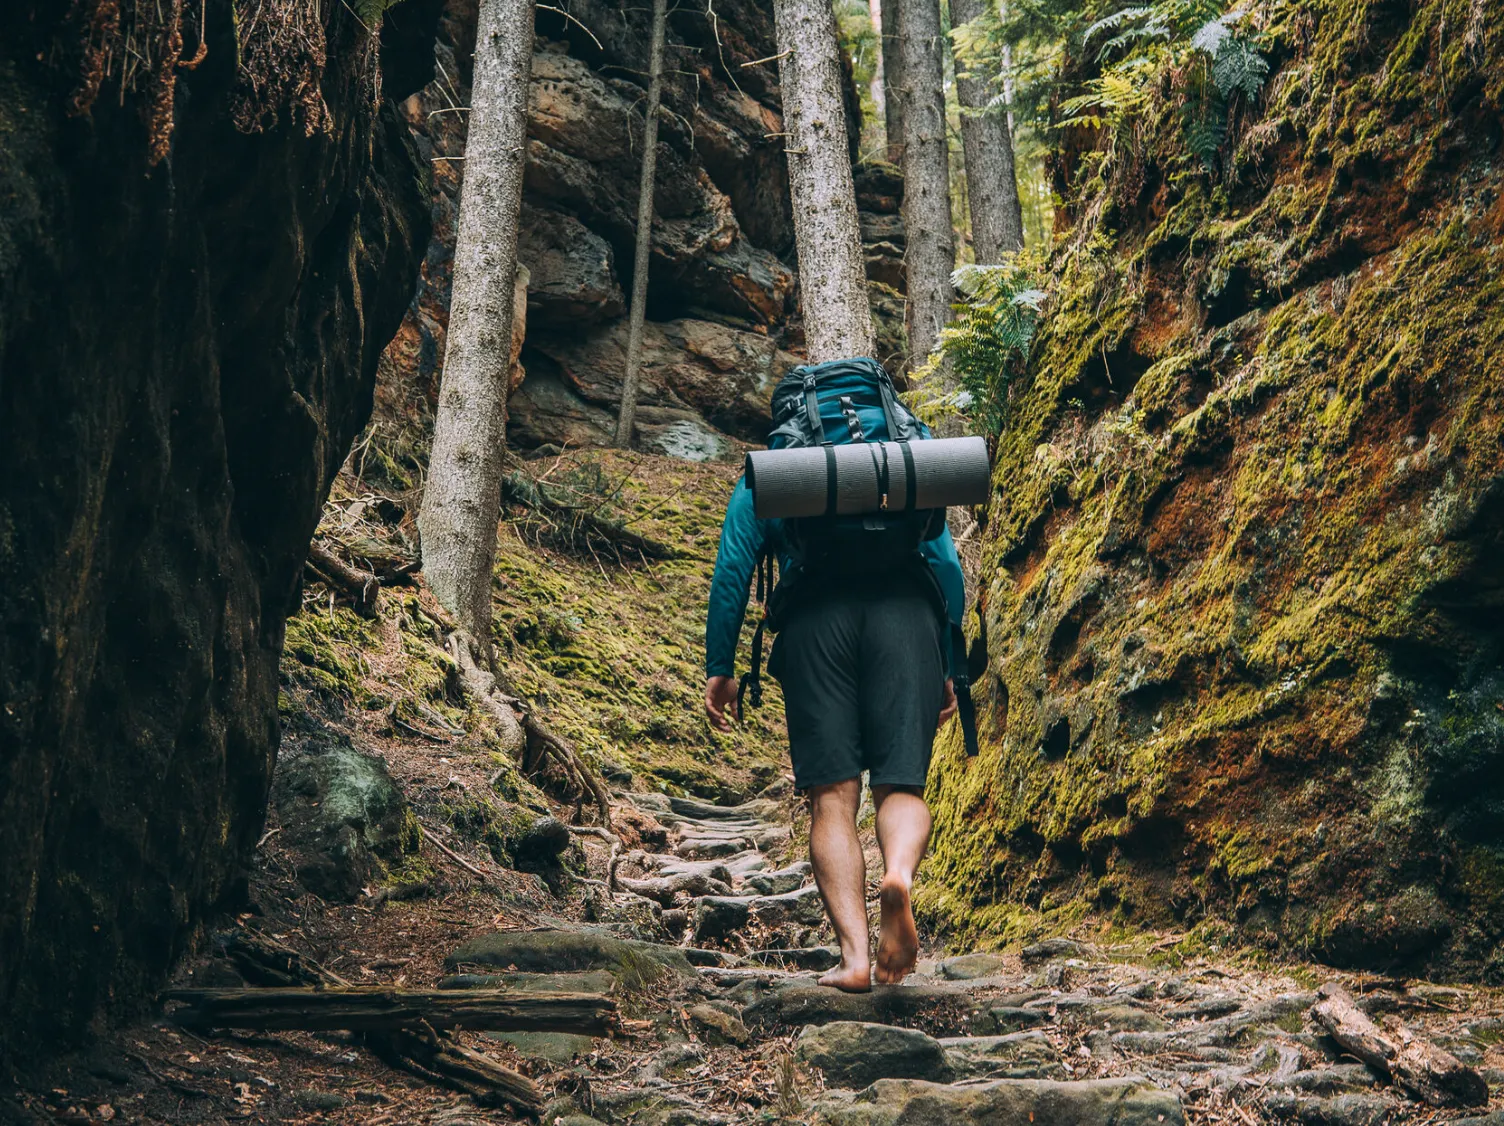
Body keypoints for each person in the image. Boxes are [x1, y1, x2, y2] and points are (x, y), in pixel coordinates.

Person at [702, 357, 966, 992]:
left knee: (832, 797)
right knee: (901, 785)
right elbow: (946, 567)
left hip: (816, 619)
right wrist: (948, 666)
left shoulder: (783, 467)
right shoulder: (899, 463)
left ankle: (853, 958)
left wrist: (722, 667)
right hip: (907, 616)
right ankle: (897, 875)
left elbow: (733, 568)